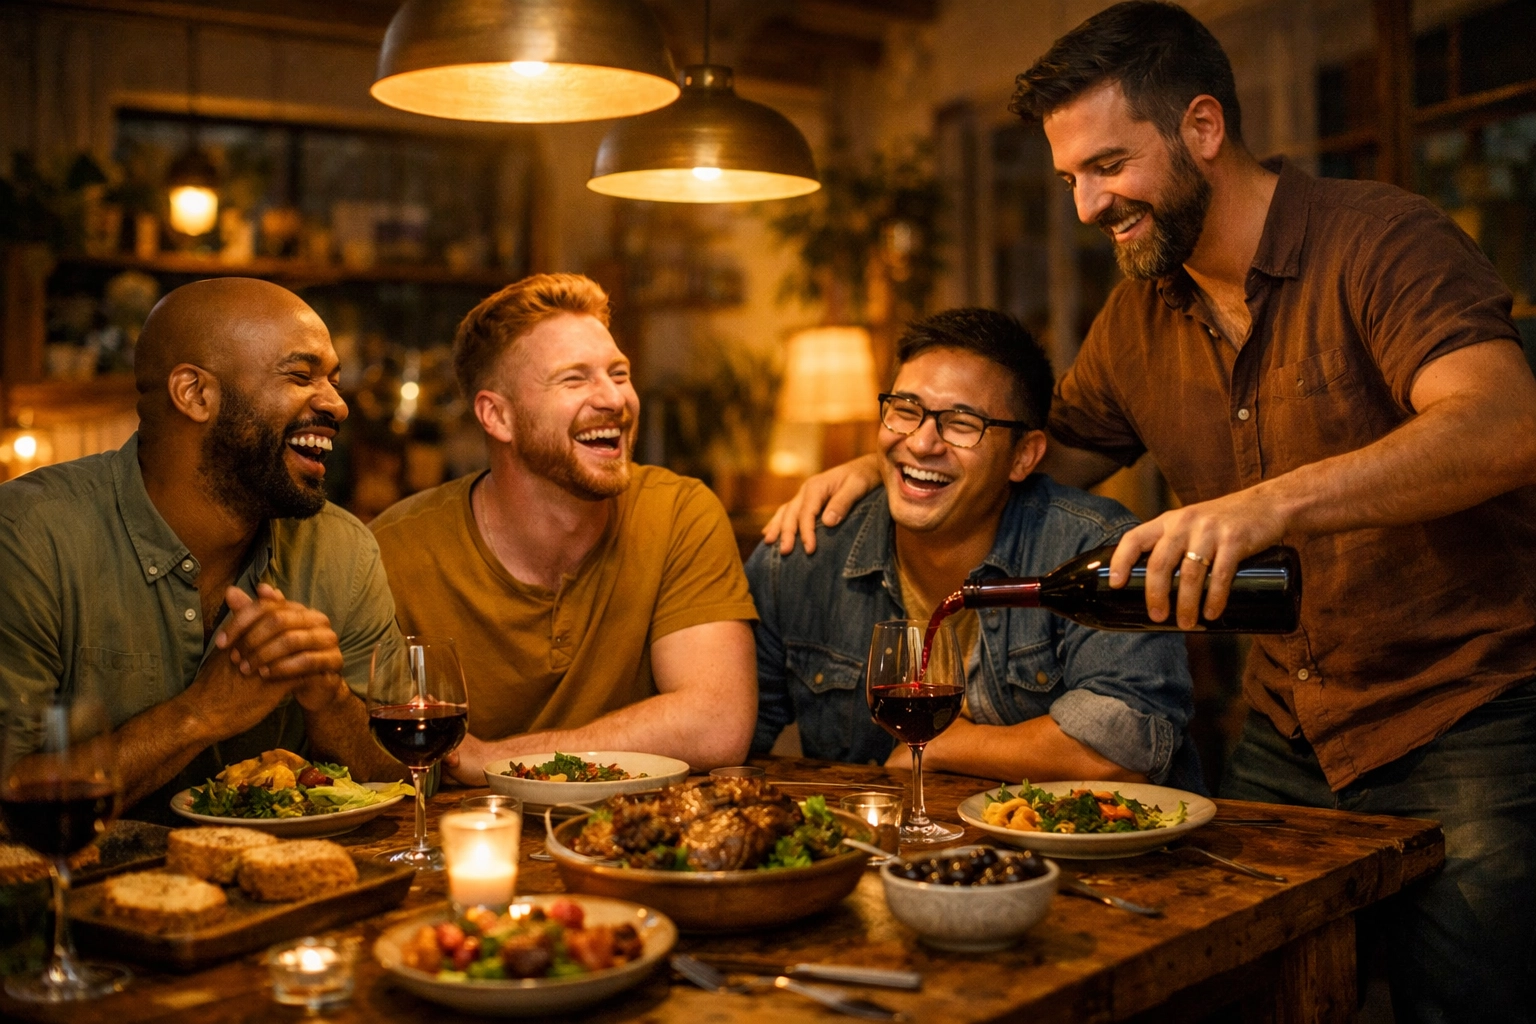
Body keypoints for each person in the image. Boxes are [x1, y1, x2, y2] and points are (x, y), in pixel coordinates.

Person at [765, 4, 1536, 1020]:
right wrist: (890, 457)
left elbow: (1504, 421)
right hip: (1287, 729)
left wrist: (1267, 505)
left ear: (1203, 128)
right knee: (1245, 990)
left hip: (1465, 714)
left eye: (1109, 166)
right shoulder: (1139, 314)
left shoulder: (1381, 239)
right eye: (1071, 178)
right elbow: (1021, 446)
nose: (1087, 205)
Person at [0, 278, 404, 824]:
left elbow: (404, 780)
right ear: (194, 394)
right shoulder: (30, 537)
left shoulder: (342, 550)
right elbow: (9, 793)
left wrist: (328, 700)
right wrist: (199, 714)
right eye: (301, 375)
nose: (337, 403)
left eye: (332, 379)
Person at [748, 309, 1199, 789]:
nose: (922, 443)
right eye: (904, 410)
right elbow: (733, 734)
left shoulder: (1097, 550)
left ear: (1023, 456)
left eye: (962, 424)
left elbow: (1125, 745)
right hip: (881, 856)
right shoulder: (802, 557)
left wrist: (946, 746)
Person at [370, 273, 758, 784]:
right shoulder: (395, 550)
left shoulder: (679, 513)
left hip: (632, 847)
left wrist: (500, 760)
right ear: (497, 417)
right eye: (574, 380)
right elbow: (364, 756)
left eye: (618, 374)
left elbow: (716, 724)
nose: (614, 400)